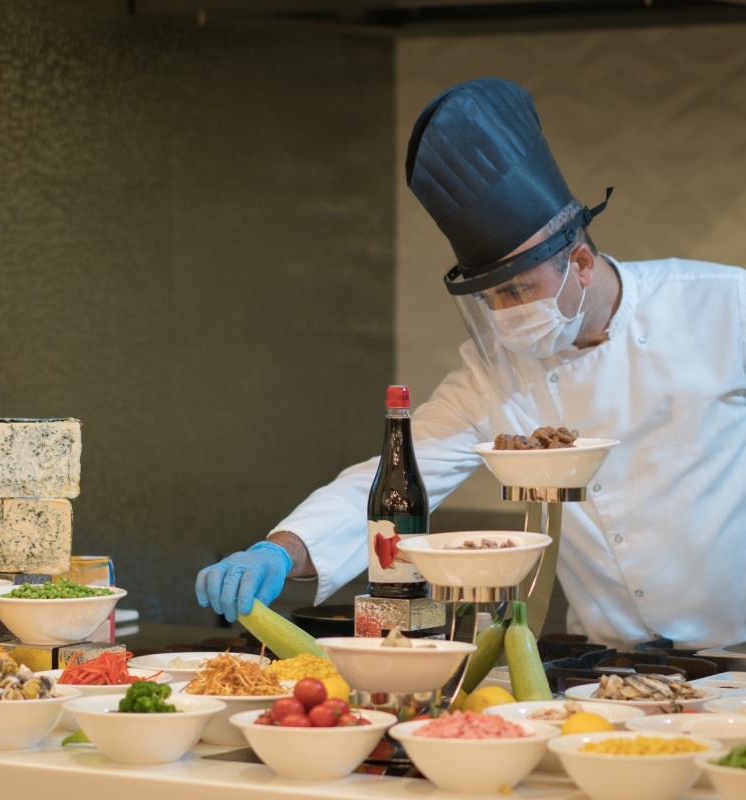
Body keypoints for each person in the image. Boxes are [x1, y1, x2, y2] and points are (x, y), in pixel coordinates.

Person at [196, 77, 746, 652]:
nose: (508, 313)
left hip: (740, 653)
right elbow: (398, 471)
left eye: (520, 289)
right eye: (493, 298)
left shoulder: (722, 302)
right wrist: (279, 551)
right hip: (610, 666)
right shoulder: (496, 372)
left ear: (580, 262)